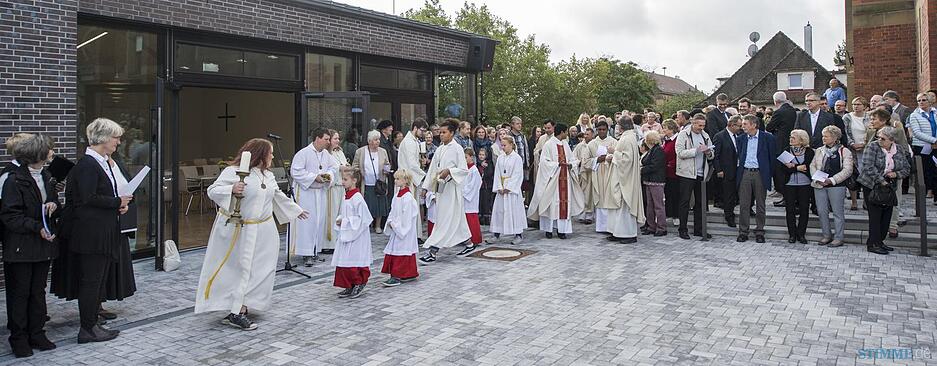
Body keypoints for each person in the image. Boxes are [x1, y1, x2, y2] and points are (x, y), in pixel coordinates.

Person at [195, 138, 308, 330]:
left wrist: (296, 210)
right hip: (239, 229)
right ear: (260, 154)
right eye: (270, 153)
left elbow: (276, 195)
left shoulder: (267, 175)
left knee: (262, 269)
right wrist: (231, 188)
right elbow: (212, 191)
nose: (272, 156)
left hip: (264, 230)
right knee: (238, 269)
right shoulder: (234, 171)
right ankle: (235, 310)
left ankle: (246, 304)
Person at [60, 118, 132, 343]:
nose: (118, 142)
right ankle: (87, 328)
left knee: (97, 280)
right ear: (103, 138)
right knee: (91, 281)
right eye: (115, 137)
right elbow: (87, 198)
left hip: (102, 231)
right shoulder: (87, 166)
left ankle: (92, 324)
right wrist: (116, 202)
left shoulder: (100, 163)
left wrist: (117, 206)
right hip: (91, 236)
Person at [1, 134, 58, 357]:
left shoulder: (46, 175)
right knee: (20, 292)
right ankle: (19, 338)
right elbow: (9, 215)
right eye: (49, 149)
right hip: (21, 246)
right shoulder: (13, 179)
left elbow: (54, 203)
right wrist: (36, 227)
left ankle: (37, 333)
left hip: (42, 245)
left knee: (38, 291)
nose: (52, 152)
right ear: (39, 154)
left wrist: (54, 205)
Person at [419, 118, 472, 263]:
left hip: (452, 190)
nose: (441, 135)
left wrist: (449, 171)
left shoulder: (457, 149)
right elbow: (432, 169)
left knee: (444, 220)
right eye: (440, 132)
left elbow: (463, 170)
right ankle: (469, 243)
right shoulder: (440, 148)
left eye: (444, 132)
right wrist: (425, 187)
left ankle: (433, 251)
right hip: (440, 189)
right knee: (455, 219)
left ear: (452, 133)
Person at [857, 126, 910, 255]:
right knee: (875, 216)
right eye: (878, 137)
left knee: (887, 215)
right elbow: (868, 166)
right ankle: (872, 243)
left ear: (891, 140)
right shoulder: (873, 147)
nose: (880, 140)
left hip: (890, 185)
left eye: (883, 139)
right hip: (872, 184)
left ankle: (880, 241)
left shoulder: (899, 150)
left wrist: (896, 174)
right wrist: (881, 180)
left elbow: (906, 168)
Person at [291, 128, 340, 266]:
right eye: (326, 139)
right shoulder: (303, 153)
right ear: (317, 138)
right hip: (307, 193)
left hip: (320, 193)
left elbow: (334, 167)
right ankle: (306, 253)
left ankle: (314, 251)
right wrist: (314, 177)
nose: (328, 142)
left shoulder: (325, 154)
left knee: (319, 222)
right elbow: (296, 172)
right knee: (307, 223)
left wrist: (327, 176)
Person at [528, 123, 584, 239]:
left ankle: (561, 230)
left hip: (565, 180)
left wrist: (571, 165)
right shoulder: (549, 145)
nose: (567, 134)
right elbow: (544, 163)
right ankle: (548, 230)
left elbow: (572, 159)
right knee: (551, 205)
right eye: (566, 132)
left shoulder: (565, 144)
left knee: (563, 205)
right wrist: (557, 165)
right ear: (562, 132)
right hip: (553, 180)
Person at [866, 109, 910, 237]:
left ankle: (892, 226)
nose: (871, 121)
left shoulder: (896, 131)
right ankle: (878, 232)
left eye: (874, 119)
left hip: (893, 174)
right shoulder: (871, 132)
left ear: (884, 120)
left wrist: (896, 172)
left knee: (894, 199)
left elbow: (903, 150)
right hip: (874, 176)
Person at [735, 115, 777, 243]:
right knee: (744, 204)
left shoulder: (767, 138)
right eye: (743, 124)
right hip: (745, 173)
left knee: (760, 203)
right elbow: (739, 155)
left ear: (754, 125)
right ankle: (743, 231)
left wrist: (770, 174)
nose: (743, 126)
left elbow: (772, 157)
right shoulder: (741, 138)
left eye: (745, 124)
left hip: (760, 173)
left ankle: (759, 231)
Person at [332, 167, 373, 298]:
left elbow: (364, 219)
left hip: (357, 236)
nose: (342, 182)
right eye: (342, 179)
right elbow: (344, 213)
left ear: (354, 180)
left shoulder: (357, 198)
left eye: (345, 179)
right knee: (344, 260)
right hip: (347, 234)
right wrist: (340, 219)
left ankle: (359, 283)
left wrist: (345, 222)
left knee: (354, 260)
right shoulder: (346, 196)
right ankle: (348, 285)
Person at [810, 125, 854, 247]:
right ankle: (826, 235)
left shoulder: (844, 151)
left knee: (837, 212)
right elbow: (813, 165)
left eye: (826, 136)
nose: (823, 138)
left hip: (836, 185)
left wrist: (831, 180)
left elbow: (848, 170)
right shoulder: (819, 150)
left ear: (835, 138)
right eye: (823, 135)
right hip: (819, 184)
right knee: (822, 211)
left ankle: (839, 237)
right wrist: (818, 178)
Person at [604, 116, 645, 243]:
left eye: (617, 125)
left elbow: (627, 160)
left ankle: (628, 234)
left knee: (624, 206)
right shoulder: (626, 137)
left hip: (625, 179)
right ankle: (617, 232)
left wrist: (613, 152)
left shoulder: (628, 138)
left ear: (621, 126)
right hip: (620, 176)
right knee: (617, 206)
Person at [675, 114, 714, 240]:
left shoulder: (705, 135)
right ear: (693, 123)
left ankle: (699, 229)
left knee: (700, 203)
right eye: (699, 125)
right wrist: (696, 150)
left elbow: (712, 154)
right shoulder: (683, 134)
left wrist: (708, 152)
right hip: (687, 173)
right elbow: (679, 153)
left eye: (703, 125)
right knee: (684, 202)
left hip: (701, 172)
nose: (701, 128)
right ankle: (683, 229)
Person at [381, 169, 420, 287]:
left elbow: (407, 217)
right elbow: (393, 211)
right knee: (398, 249)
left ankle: (397, 275)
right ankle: (409, 273)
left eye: (398, 179)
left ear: (405, 181)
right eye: (395, 178)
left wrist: (396, 225)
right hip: (396, 228)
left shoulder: (408, 198)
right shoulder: (397, 196)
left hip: (404, 230)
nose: (395, 181)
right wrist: (390, 222)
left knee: (402, 250)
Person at [353, 130, 392, 235]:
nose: (378, 141)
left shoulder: (382, 151)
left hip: (379, 183)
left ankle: (378, 225)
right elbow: (355, 165)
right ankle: (366, 225)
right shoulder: (360, 151)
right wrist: (359, 172)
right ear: (369, 141)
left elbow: (387, 164)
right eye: (375, 140)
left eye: (378, 139)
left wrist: (386, 170)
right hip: (365, 183)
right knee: (366, 204)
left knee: (379, 205)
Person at [488, 136, 525, 245]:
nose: (503, 147)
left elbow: (518, 174)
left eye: (505, 145)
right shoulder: (500, 157)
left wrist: (508, 187)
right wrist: (499, 186)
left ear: (511, 144)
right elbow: (497, 173)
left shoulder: (517, 158)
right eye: (502, 145)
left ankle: (518, 234)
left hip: (511, 190)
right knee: (499, 211)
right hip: (501, 189)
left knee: (514, 211)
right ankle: (496, 233)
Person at [779, 130, 814, 244]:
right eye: (790, 137)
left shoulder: (809, 152)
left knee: (804, 209)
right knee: (790, 210)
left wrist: (793, 167)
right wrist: (797, 168)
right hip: (789, 185)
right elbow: (783, 169)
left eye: (793, 137)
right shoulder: (786, 150)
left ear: (801, 140)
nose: (791, 139)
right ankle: (792, 234)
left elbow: (809, 168)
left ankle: (801, 234)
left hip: (805, 184)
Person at [397, 118, 428, 238]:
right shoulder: (409, 142)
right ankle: (410, 234)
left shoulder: (413, 140)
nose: (423, 133)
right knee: (409, 209)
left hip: (411, 178)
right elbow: (411, 164)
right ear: (415, 128)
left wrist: (421, 161)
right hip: (407, 179)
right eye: (422, 130)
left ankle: (415, 234)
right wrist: (425, 175)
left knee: (413, 208)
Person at [767, 91, 798, 206]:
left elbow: (769, 127)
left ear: (775, 102)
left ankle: (787, 198)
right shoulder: (792, 110)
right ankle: (790, 198)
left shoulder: (779, 112)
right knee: (789, 172)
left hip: (780, 146)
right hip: (791, 144)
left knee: (782, 173)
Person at [712, 115, 742, 227]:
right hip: (726, 170)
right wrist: (719, 169)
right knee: (728, 195)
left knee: (735, 194)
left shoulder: (738, 136)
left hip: (737, 169)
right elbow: (716, 155)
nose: (740, 128)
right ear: (732, 125)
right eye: (738, 126)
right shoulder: (720, 136)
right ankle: (729, 216)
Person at [590, 121, 619, 234]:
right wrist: (597, 159)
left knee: (610, 196)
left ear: (607, 129)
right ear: (597, 130)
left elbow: (619, 155)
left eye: (604, 129)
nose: (602, 131)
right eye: (600, 129)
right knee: (600, 197)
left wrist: (611, 157)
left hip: (611, 172)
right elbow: (585, 161)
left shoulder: (614, 142)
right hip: (597, 173)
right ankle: (601, 226)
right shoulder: (592, 144)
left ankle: (611, 226)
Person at [907, 92, 937, 202]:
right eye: (919, 100)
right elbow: (916, 132)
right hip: (921, 146)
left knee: (934, 170)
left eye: (923, 100)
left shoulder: (935, 113)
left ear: (929, 101)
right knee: (925, 169)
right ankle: (926, 192)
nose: (921, 102)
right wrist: (934, 140)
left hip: (935, 146)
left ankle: (935, 193)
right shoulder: (914, 115)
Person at [844, 97, 871, 210]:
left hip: (866, 148)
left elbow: (871, 131)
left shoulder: (869, 117)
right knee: (853, 175)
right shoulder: (847, 117)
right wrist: (852, 144)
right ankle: (854, 201)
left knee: (866, 175)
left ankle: (866, 201)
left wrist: (864, 144)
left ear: (864, 106)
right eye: (854, 104)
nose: (856, 106)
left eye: (858, 104)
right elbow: (845, 132)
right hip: (852, 149)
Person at [324, 130, 348, 254]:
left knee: (340, 214)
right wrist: (341, 167)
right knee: (331, 215)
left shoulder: (340, 152)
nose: (337, 141)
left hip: (341, 186)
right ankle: (329, 243)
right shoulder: (326, 153)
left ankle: (339, 239)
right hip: (332, 187)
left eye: (338, 138)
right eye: (335, 139)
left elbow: (344, 164)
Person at [639, 131, 666, 236]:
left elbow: (655, 165)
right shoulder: (652, 150)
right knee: (650, 205)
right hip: (649, 180)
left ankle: (661, 227)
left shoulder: (658, 150)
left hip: (656, 181)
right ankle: (651, 226)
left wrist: (641, 169)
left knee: (658, 205)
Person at [461, 148, 483, 253]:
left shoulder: (474, 170)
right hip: (464, 198)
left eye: (466, 157)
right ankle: (466, 238)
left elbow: (474, 185)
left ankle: (475, 238)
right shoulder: (464, 169)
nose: (464, 159)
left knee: (471, 218)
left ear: (471, 157)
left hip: (470, 198)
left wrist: (463, 192)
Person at [473, 126, 495, 224]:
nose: (481, 134)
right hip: (478, 167)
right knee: (479, 197)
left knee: (486, 197)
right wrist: (479, 162)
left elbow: (490, 158)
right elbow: (473, 155)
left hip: (487, 171)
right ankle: (479, 215)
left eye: (483, 132)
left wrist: (486, 163)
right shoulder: (474, 144)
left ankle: (486, 216)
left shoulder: (489, 143)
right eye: (479, 132)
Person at [573, 127, 595, 224]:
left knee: (590, 194)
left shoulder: (594, 145)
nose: (585, 136)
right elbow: (574, 158)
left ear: (592, 135)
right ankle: (582, 213)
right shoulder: (579, 146)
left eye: (588, 134)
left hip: (592, 173)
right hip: (582, 173)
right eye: (584, 134)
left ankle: (590, 214)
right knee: (582, 193)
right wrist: (579, 162)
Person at [660, 120, 680, 226]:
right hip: (666, 172)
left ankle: (676, 215)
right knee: (668, 194)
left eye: (665, 128)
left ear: (671, 129)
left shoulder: (677, 139)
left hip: (674, 172)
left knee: (675, 194)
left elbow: (677, 154)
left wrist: (670, 164)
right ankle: (669, 214)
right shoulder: (666, 140)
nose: (663, 130)